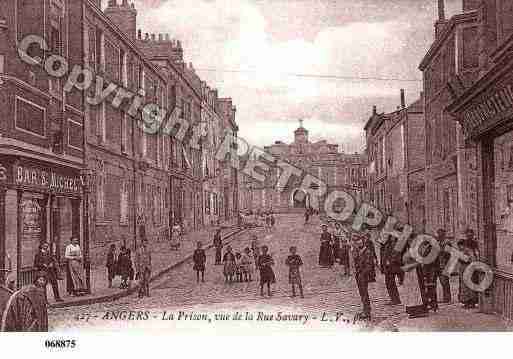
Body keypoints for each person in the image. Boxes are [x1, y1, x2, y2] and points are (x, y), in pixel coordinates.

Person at [352, 232, 374, 320]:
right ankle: (365, 310)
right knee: (362, 293)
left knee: (364, 293)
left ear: (363, 241)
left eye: (359, 240)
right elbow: (355, 261)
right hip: (359, 275)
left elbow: (369, 266)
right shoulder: (358, 251)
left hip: (363, 275)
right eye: (356, 241)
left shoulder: (367, 251)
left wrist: (362, 274)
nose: (358, 242)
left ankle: (367, 311)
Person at [458, 230, 479, 309]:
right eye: (468, 235)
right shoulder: (463, 243)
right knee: (465, 284)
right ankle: (466, 301)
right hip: (464, 266)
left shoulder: (474, 244)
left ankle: (472, 301)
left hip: (471, 266)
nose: (469, 236)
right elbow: (460, 256)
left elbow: (476, 254)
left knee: (472, 283)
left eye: (471, 235)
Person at [380, 234, 401, 305]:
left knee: (391, 283)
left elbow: (397, 256)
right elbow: (384, 255)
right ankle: (393, 298)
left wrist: (390, 261)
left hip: (392, 267)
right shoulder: (387, 245)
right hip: (388, 268)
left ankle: (396, 299)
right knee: (388, 283)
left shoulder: (395, 245)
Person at [435, 228, 452, 303]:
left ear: (443, 234)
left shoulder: (447, 242)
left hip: (445, 264)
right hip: (438, 264)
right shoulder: (438, 242)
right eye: (438, 233)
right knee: (442, 281)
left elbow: (448, 253)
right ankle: (445, 297)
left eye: (441, 234)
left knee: (445, 281)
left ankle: (447, 298)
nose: (439, 235)